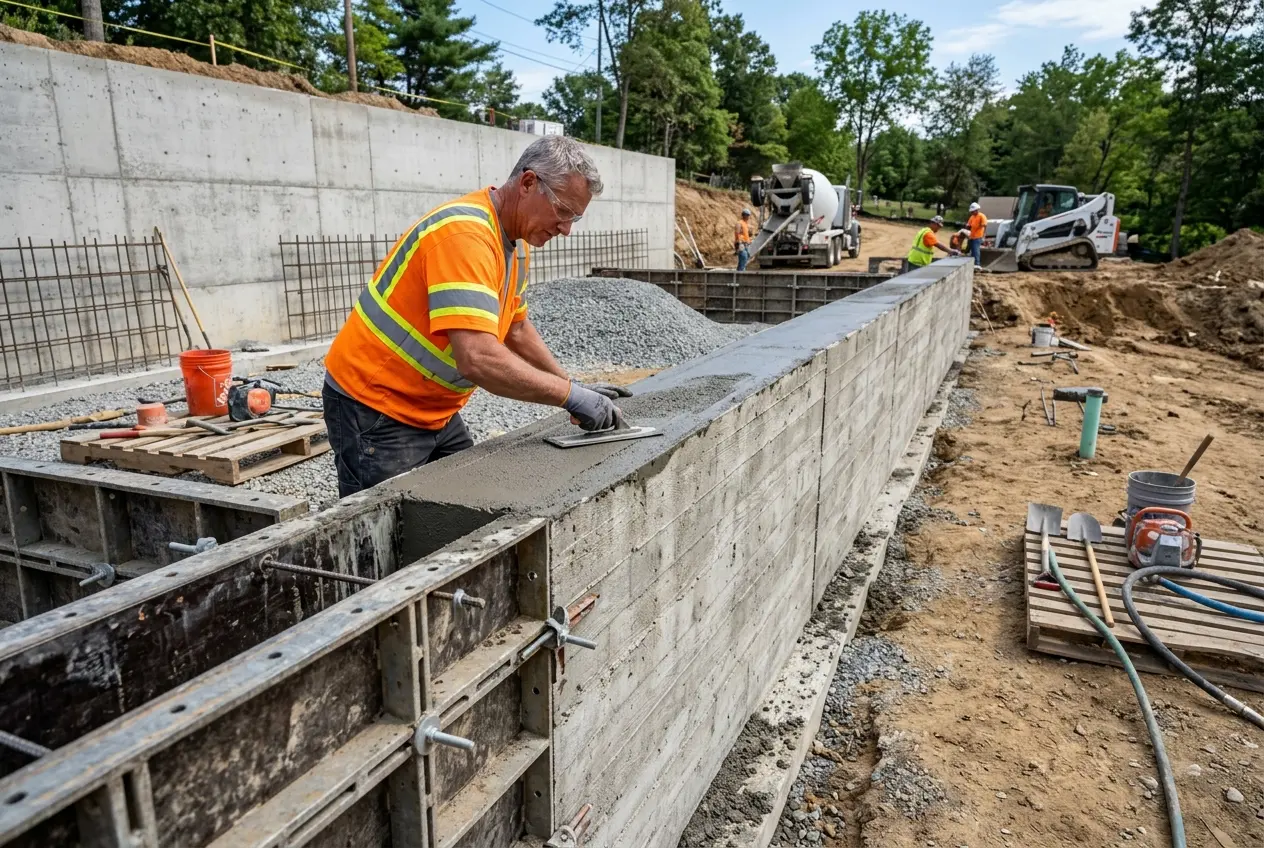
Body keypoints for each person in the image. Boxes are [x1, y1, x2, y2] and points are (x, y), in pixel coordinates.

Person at [321, 135, 628, 497]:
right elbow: (478, 358)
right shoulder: (465, 235)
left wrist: (569, 383)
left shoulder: (515, 244)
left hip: (432, 408)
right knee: (386, 524)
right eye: (563, 210)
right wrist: (567, 395)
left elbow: (516, 326)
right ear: (529, 183)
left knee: (465, 502)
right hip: (376, 406)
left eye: (574, 217)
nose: (566, 229)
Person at [966, 201, 987, 268]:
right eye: (971, 212)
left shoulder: (982, 216)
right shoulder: (972, 217)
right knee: (971, 250)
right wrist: (967, 229)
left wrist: (983, 235)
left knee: (976, 250)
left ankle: (977, 264)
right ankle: (972, 264)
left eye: (973, 211)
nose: (971, 212)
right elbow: (968, 225)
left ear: (976, 210)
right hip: (971, 236)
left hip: (978, 236)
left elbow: (984, 225)